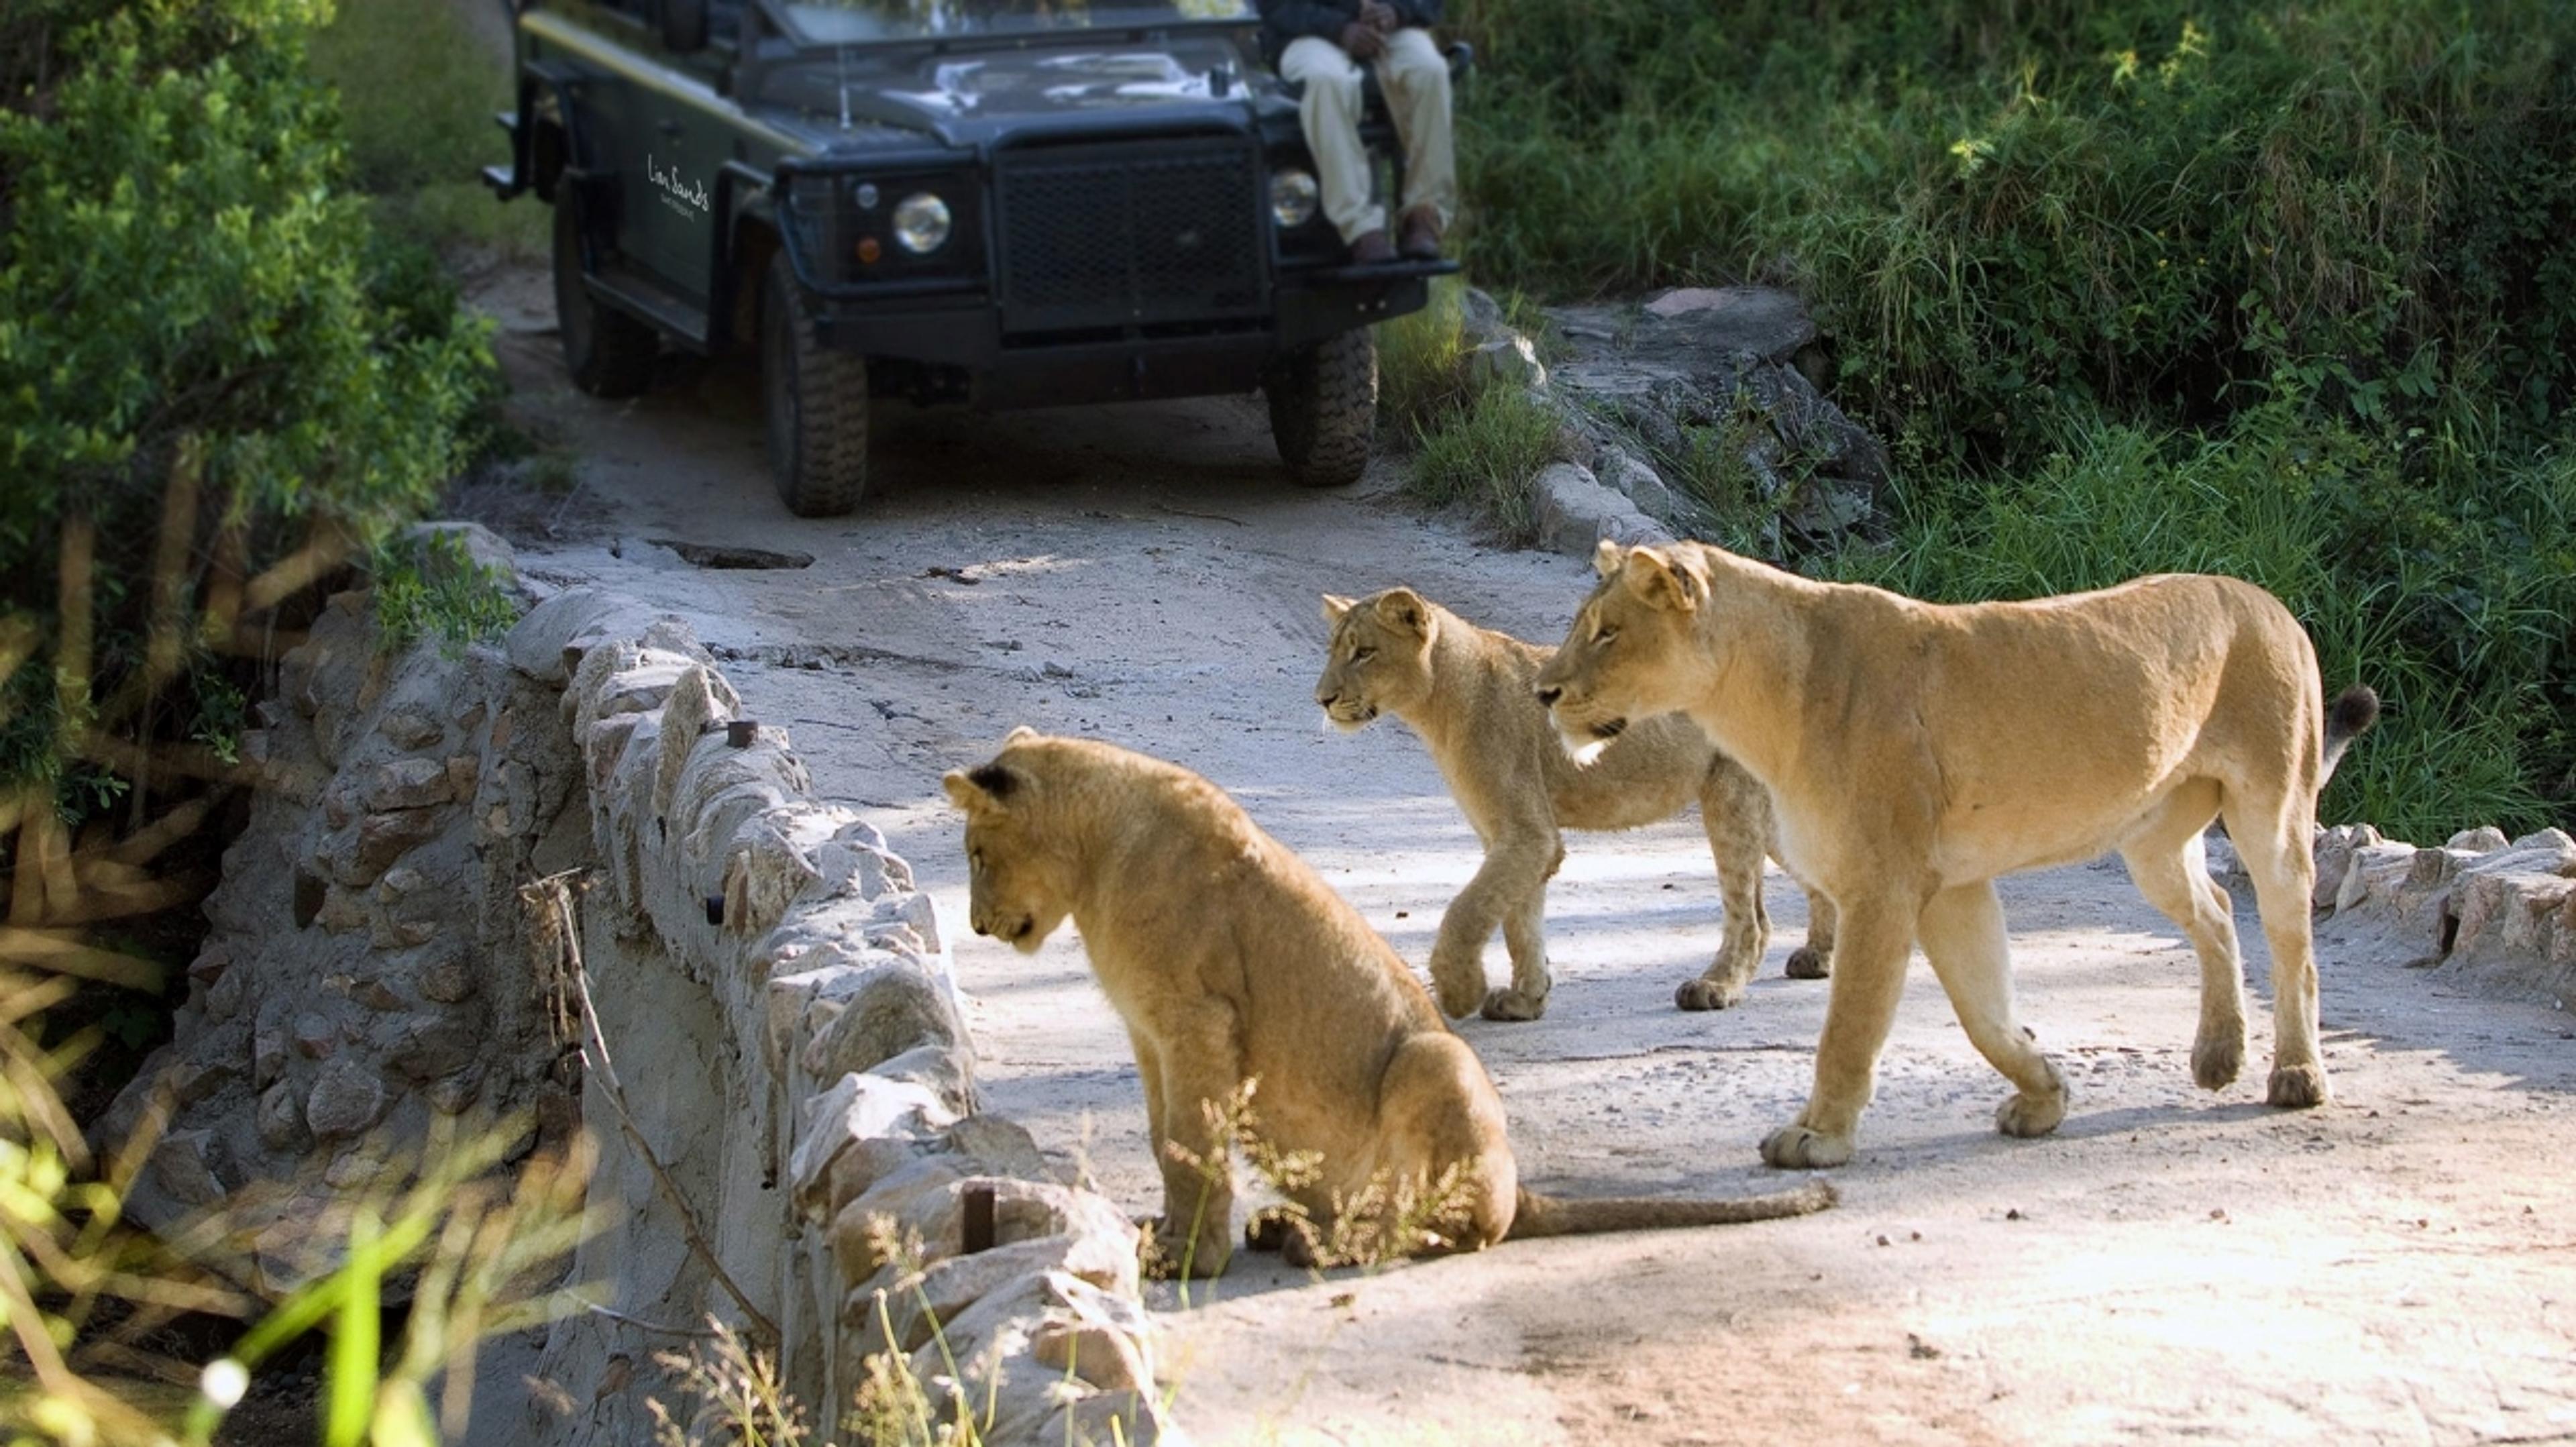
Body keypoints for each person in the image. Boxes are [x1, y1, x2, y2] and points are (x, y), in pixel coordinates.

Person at [1256, 0, 1454, 264]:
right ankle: (1360, 228)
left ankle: (1423, 215)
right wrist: (1340, 27)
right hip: (1308, 34)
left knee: (1430, 70)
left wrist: (1397, 11)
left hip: (1392, 30)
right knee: (1327, 81)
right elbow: (1274, 7)